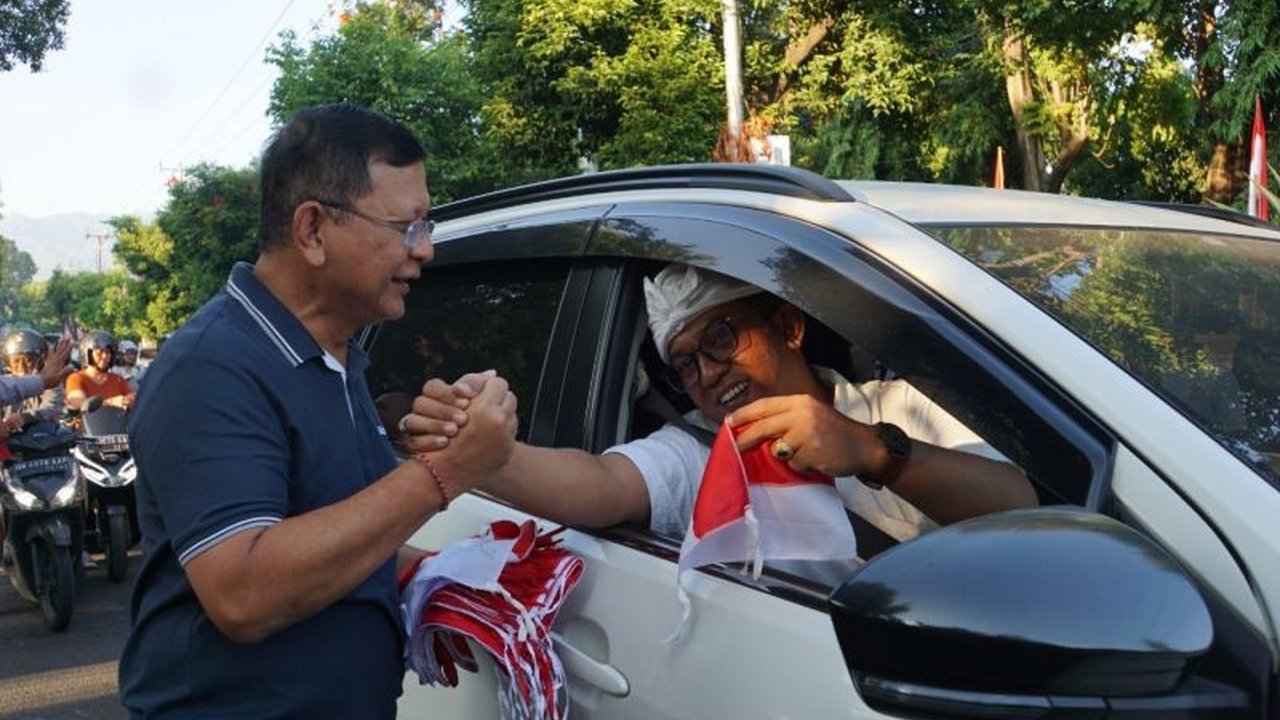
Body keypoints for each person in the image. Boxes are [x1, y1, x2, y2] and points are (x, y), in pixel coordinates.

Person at [118, 103, 518, 719]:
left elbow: (330, 533)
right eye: (407, 226)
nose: (426, 250)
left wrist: (446, 579)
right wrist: (443, 472)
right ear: (312, 231)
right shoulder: (213, 367)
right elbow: (243, 591)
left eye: (426, 224)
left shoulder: (335, 358)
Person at [406, 263, 1038, 564]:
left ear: (788, 328)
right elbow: (601, 485)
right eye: (685, 364)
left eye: (721, 340)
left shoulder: (896, 411)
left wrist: (876, 453)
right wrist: (483, 452)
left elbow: (1028, 514)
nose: (707, 375)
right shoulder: (703, 452)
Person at [64, 331, 135, 412]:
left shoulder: (118, 380)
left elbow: (132, 398)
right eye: (99, 352)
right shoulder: (76, 378)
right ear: (88, 353)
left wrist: (131, 399)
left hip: (117, 424)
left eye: (108, 352)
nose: (104, 356)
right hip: (87, 424)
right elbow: (79, 404)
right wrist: (110, 403)